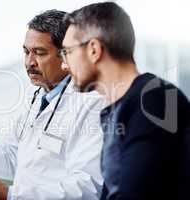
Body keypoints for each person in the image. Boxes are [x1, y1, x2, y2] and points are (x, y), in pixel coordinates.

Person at [0, 10, 104, 200]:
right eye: (26, 52)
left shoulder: (91, 104)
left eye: (39, 53)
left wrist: (11, 195)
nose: (29, 62)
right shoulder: (39, 96)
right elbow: (14, 158)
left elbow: (88, 188)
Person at [61, 2, 190, 200]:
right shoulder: (116, 111)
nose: (64, 65)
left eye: (67, 52)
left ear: (94, 49)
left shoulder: (156, 100)